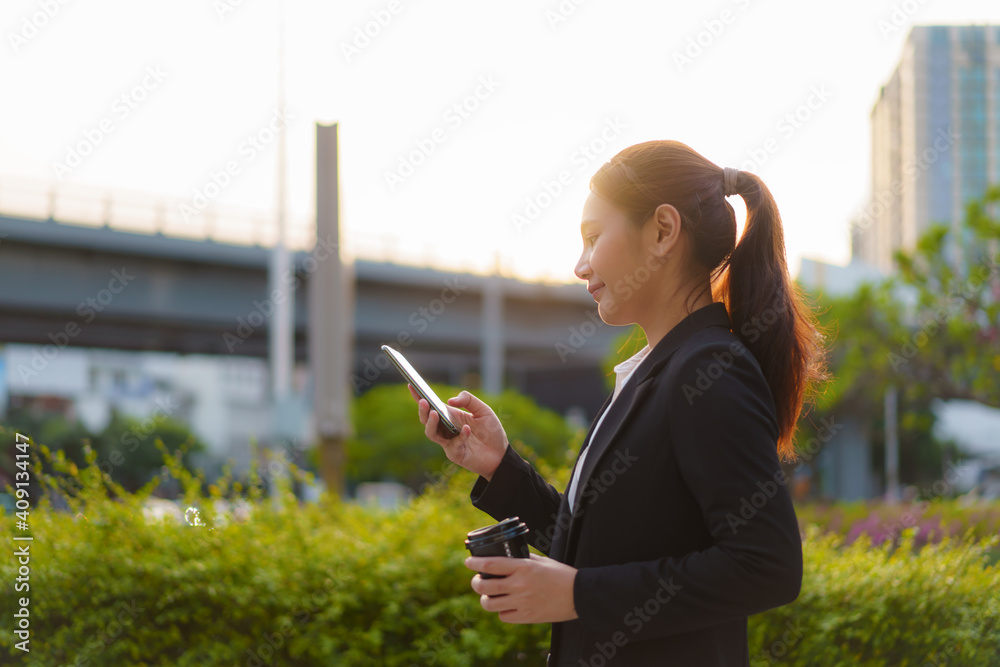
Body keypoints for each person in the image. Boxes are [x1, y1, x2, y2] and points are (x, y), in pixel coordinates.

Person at [408, 139, 826, 665]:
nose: (580, 265)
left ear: (663, 231)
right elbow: (596, 549)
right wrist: (497, 465)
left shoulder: (709, 371)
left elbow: (767, 566)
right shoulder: (660, 370)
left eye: (591, 238)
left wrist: (577, 594)